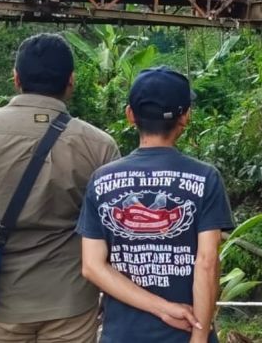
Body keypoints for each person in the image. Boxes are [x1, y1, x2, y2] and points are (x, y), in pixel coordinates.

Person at [0, 33, 120, 343]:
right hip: (70, 303)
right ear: (71, 80)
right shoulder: (99, 146)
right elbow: (111, 229)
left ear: (16, 78)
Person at [77, 67, 235, 343]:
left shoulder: (101, 180)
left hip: (122, 335)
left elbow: (92, 266)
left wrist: (162, 309)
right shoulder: (205, 177)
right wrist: (198, 337)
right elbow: (207, 263)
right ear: (185, 116)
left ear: (130, 115)